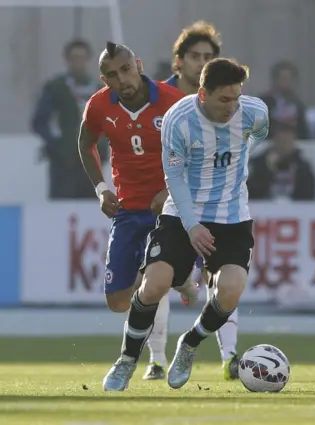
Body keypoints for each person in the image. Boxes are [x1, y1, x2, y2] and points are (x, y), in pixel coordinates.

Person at [102, 58, 269, 392]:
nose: (232, 106)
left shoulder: (254, 113)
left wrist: (234, 164)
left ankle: (189, 344)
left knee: (232, 289)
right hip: (182, 214)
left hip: (232, 216)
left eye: (237, 97)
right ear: (203, 94)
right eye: (225, 99)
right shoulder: (178, 119)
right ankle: (127, 360)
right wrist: (193, 226)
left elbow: (258, 136)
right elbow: (173, 178)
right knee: (154, 283)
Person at [78, 42, 199, 384]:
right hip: (129, 210)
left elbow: (199, 150)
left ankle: (133, 359)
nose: (123, 79)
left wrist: (172, 189)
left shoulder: (172, 101)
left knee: (152, 278)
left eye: (126, 69)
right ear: (104, 79)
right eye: (113, 75)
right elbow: (85, 144)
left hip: (171, 209)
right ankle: (181, 278)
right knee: (117, 301)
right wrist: (102, 189)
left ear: (138, 64)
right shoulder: (100, 105)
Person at [164, 21, 242, 381]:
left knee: (224, 279)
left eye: (208, 57)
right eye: (195, 56)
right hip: (168, 200)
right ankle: (150, 357)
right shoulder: (163, 101)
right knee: (153, 282)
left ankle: (229, 354)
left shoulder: (230, 103)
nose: (201, 62)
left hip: (218, 204)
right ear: (179, 62)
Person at [32, 39, 103, 199]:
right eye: (74, 58)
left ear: (88, 60)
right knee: (61, 209)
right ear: (67, 60)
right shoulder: (56, 87)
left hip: (91, 165)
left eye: (82, 58)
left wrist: (102, 149)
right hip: (63, 165)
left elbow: (108, 123)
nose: (78, 62)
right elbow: (39, 121)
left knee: (89, 210)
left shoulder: (98, 90)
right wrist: (56, 145)